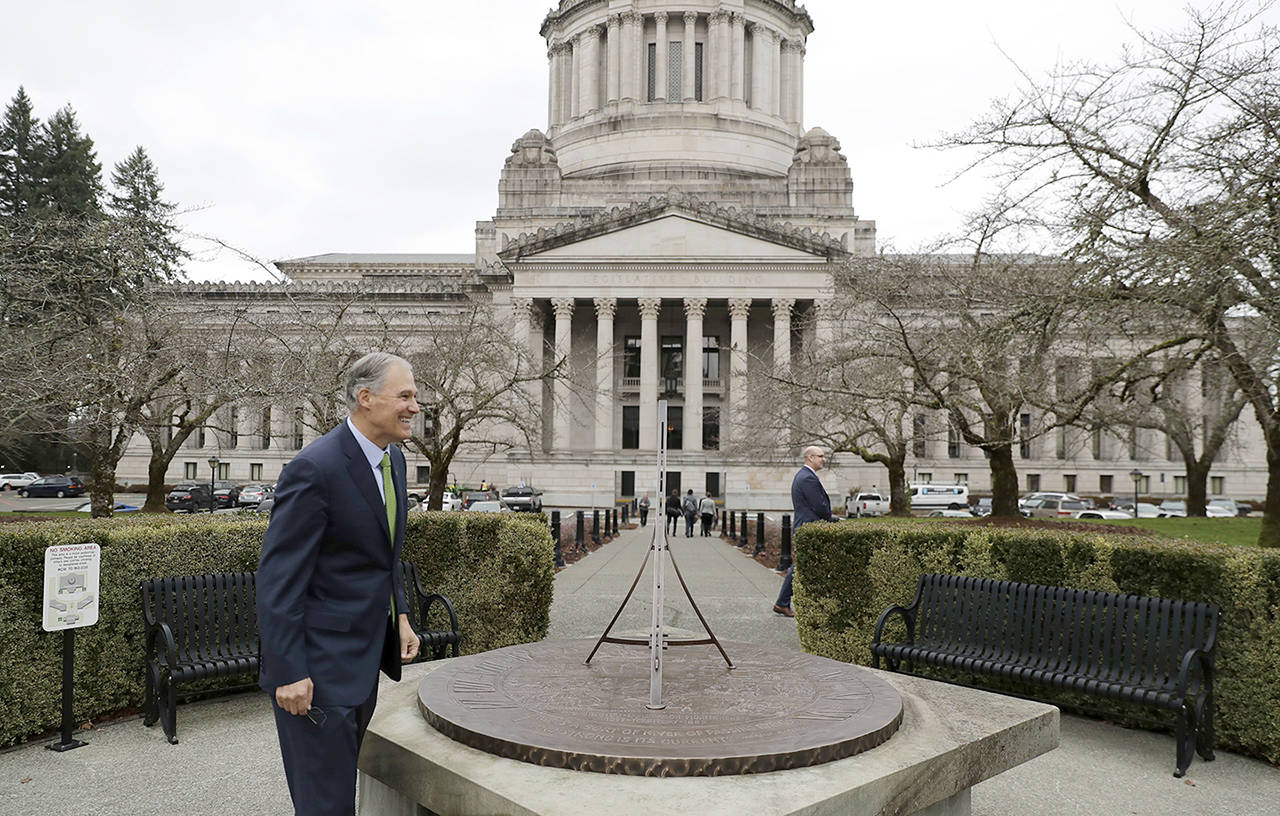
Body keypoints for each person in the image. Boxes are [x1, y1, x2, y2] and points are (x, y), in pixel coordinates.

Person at [257, 352, 422, 816]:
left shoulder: (395, 461)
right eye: (405, 396)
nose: (415, 406)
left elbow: (383, 555)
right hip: (315, 671)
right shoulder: (315, 468)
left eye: (415, 396)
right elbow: (278, 579)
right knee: (325, 805)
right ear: (365, 398)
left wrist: (401, 614)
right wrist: (288, 672)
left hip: (362, 662)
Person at [773, 446, 837, 618]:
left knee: (806, 566)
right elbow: (819, 506)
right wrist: (831, 518)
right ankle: (783, 603)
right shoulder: (807, 478)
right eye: (820, 456)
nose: (824, 459)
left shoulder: (805, 476)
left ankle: (787, 602)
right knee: (801, 566)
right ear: (810, 458)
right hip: (810, 528)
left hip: (807, 526)